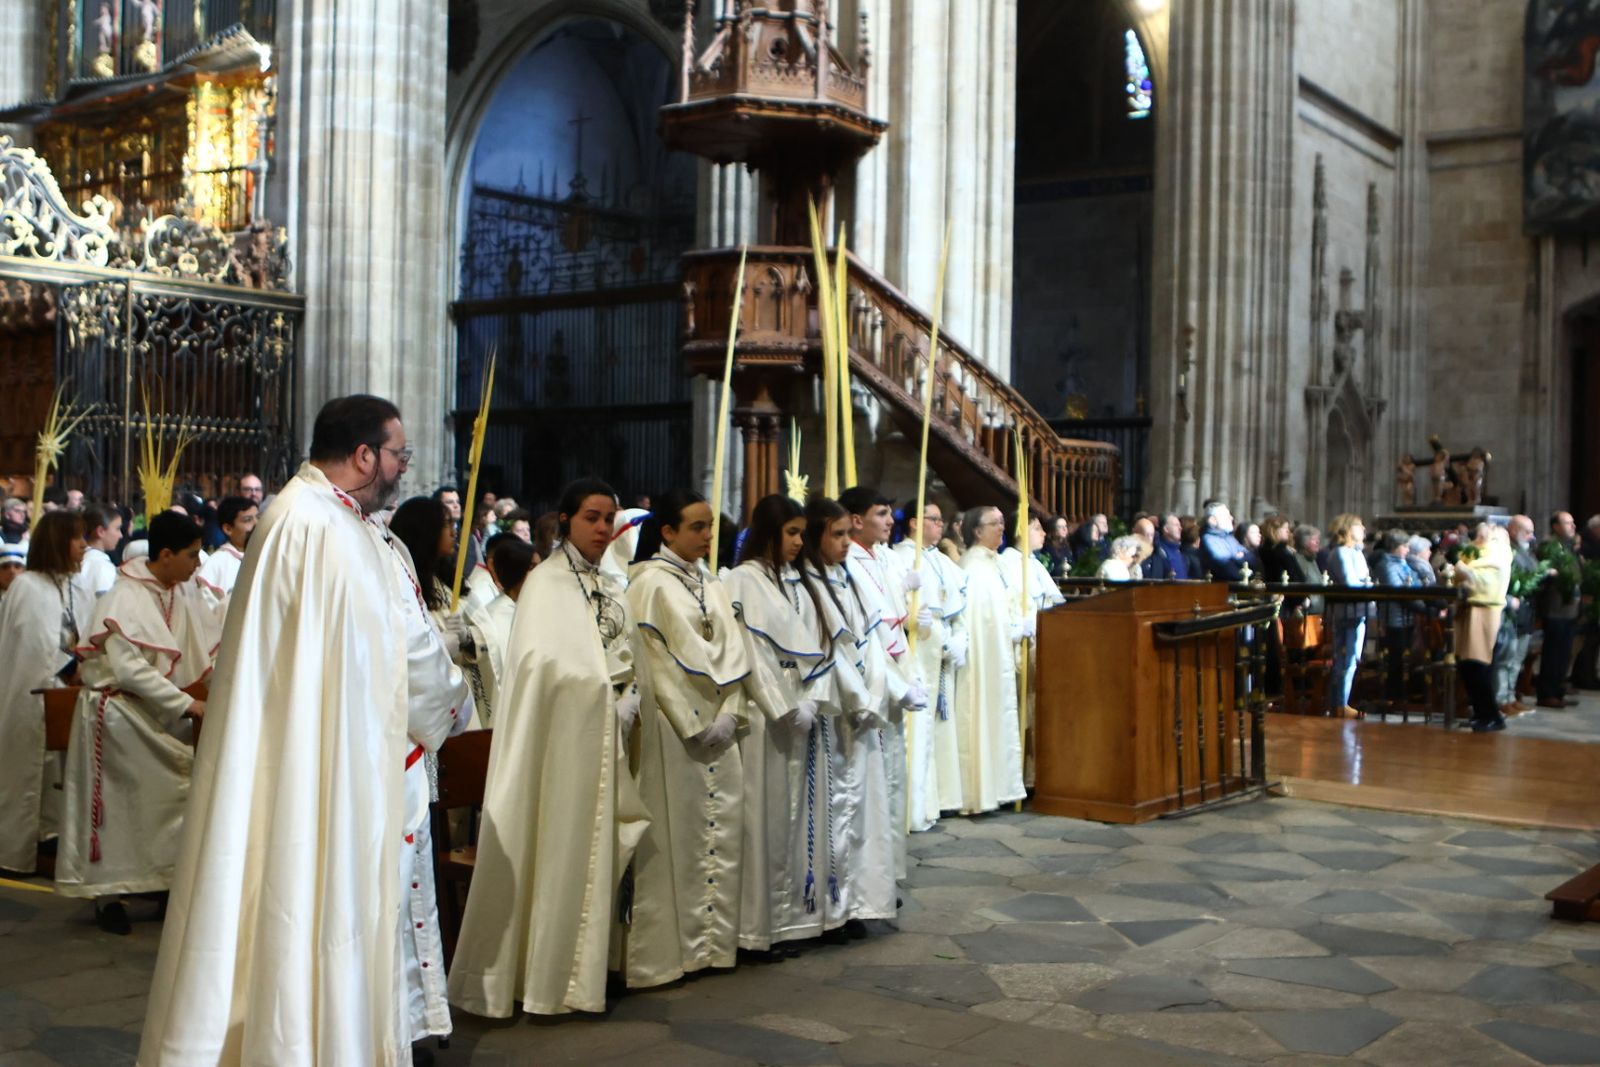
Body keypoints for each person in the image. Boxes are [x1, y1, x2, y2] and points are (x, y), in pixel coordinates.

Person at [139, 395, 471, 1065]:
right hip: (334, 764)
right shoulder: (323, 528)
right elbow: (402, 651)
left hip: (320, 752)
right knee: (319, 898)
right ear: (364, 455)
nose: (403, 467)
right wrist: (456, 702)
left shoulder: (310, 517)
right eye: (399, 453)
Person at [449, 479, 649, 1018]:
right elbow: (541, 666)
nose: (602, 528)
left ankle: (593, 970)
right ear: (566, 521)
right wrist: (603, 694)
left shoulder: (610, 584)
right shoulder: (545, 583)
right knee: (558, 849)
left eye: (608, 518)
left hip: (611, 736)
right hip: (564, 743)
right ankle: (549, 979)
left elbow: (622, 649)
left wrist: (632, 691)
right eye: (591, 518)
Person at [623, 489, 787, 986]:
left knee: (724, 836)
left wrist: (732, 713)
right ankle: (672, 953)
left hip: (723, 728)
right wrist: (695, 721)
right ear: (667, 531)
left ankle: (714, 947)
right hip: (676, 733)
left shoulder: (712, 583)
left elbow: (737, 653)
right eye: (696, 527)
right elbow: (654, 663)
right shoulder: (648, 584)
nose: (708, 536)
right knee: (676, 840)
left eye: (710, 526)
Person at [55, 512, 222, 933]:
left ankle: (163, 885)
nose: (197, 564)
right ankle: (107, 896)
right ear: (165, 555)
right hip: (119, 718)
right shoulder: (124, 597)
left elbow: (202, 652)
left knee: (170, 803)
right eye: (191, 555)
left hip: (158, 716)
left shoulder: (181, 592)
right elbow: (131, 671)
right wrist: (186, 704)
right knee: (117, 812)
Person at [726, 495, 872, 953]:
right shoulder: (742, 581)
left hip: (808, 714)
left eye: (800, 533)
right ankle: (763, 928)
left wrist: (812, 698)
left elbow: (823, 646)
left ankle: (804, 918)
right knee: (768, 820)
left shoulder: (800, 581)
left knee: (808, 820)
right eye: (790, 533)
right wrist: (784, 704)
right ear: (769, 533)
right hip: (768, 717)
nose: (797, 542)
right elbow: (748, 651)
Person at [799, 497, 897, 930]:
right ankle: (833, 906)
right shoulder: (808, 583)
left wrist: (882, 690)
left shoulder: (849, 577)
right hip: (836, 711)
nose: (845, 542)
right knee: (835, 810)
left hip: (862, 712)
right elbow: (827, 650)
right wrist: (860, 698)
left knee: (863, 812)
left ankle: (860, 900)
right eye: (836, 535)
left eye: (846, 534)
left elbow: (871, 642)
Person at [838, 486, 927, 881]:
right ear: (857, 520)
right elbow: (871, 634)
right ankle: (869, 877)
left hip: (893, 679)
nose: (891, 521)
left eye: (890, 513)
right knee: (868, 785)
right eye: (881, 513)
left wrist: (910, 674)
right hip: (872, 685)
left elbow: (894, 622)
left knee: (891, 780)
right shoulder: (851, 564)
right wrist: (896, 683)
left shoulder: (880, 557)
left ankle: (887, 874)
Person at [0, 511, 91, 874]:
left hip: (65, 694)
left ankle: (50, 838)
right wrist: (70, 667)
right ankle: (15, 850)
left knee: (60, 771)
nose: (84, 545)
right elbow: (33, 645)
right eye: (77, 538)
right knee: (28, 771)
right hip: (33, 694)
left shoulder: (71, 585)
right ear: (57, 542)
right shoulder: (28, 586)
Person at [893, 502, 969, 823]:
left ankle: (938, 801)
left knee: (940, 725)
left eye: (941, 520)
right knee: (917, 728)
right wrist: (909, 616)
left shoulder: (941, 560)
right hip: (917, 651)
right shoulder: (899, 557)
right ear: (914, 522)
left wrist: (959, 637)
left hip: (941, 650)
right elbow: (892, 605)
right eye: (934, 519)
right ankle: (915, 807)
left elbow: (957, 608)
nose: (941, 525)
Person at [954, 506, 1027, 814]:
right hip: (983, 659)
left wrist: (1018, 623)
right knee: (983, 716)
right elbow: (980, 618)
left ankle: (1000, 787)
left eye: (1001, 522)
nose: (1001, 527)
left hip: (999, 656)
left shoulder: (997, 563)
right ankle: (980, 791)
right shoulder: (973, 568)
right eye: (994, 523)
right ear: (976, 531)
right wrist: (1011, 629)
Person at [462, 533, 537, 729]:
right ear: (517, 572)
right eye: (532, 567)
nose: (540, 573)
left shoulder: (534, 608)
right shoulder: (495, 617)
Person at [1453, 523, 1514, 731]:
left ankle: (1491, 716)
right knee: (1466, 665)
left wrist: (1461, 568)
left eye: (1483, 533)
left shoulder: (1498, 554)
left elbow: (1480, 581)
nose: (1478, 536)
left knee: (1478, 664)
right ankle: (1480, 713)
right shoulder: (1474, 552)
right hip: (1468, 610)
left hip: (1485, 611)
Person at [1324, 514, 1372, 717]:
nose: (1363, 529)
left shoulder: (1355, 552)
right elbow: (1350, 582)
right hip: (1347, 611)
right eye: (1358, 526)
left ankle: (1340, 703)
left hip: (1358, 609)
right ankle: (1338, 704)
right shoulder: (1341, 553)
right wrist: (1369, 585)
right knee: (1346, 658)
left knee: (1351, 658)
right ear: (1348, 529)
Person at [1535, 511, 1582, 710]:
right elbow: (1546, 574)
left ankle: (1557, 691)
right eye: (1567, 523)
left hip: (1570, 608)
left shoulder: (1568, 546)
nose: (1573, 526)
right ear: (1555, 526)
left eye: (1573, 522)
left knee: (1564, 653)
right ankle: (1547, 693)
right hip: (1555, 607)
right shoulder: (1549, 546)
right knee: (1553, 653)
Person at [1495, 515, 1540, 715]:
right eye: (1527, 532)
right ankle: (1500, 699)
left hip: (1526, 611)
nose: (1531, 536)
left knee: (1517, 658)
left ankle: (1511, 696)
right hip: (1510, 612)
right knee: (1506, 658)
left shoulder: (1527, 551)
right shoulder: (1507, 551)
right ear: (1513, 530)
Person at [1372, 529, 1423, 703]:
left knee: (1404, 658)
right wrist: (1422, 608)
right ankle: (1393, 694)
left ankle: (1403, 692)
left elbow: (1415, 583)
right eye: (1404, 546)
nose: (1408, 550)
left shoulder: (1402, 563)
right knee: (1396, 659)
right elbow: (1398, 591)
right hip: (1394, 619)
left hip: (1407, 617)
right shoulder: (1386, 565)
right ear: (1394, 547)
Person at [196, 496, 257, 599]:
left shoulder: (264, 555)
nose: (257, 524)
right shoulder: (216, 564)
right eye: (247, 520)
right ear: (228, 529)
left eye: (259, 517)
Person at [74, 504, 123, 600]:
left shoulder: (81, 558)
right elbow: (107, 604)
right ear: (100, 531)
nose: (120, 535)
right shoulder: (100, 565)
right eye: (117, 529)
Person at [1200, 501, 1250, 581]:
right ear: (1213, 520)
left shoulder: (1230, 538)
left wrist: (1235, 559)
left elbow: (1252, 558)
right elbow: (1226, 567)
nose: (1231, 518)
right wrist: (1238, 558)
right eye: (1227, 516)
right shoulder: (1209, 540)